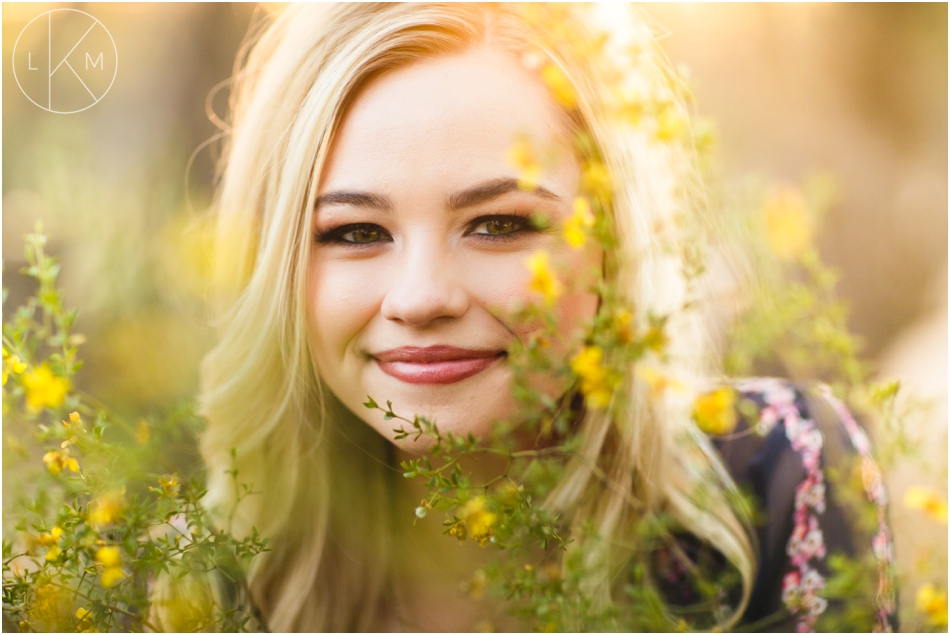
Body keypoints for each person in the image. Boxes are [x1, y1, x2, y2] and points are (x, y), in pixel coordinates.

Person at [160, 4, 896, 631]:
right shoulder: (199, 586)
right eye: (355, 232)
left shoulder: (772, 481)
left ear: (616, 242)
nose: (420, 297)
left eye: (501, 224)